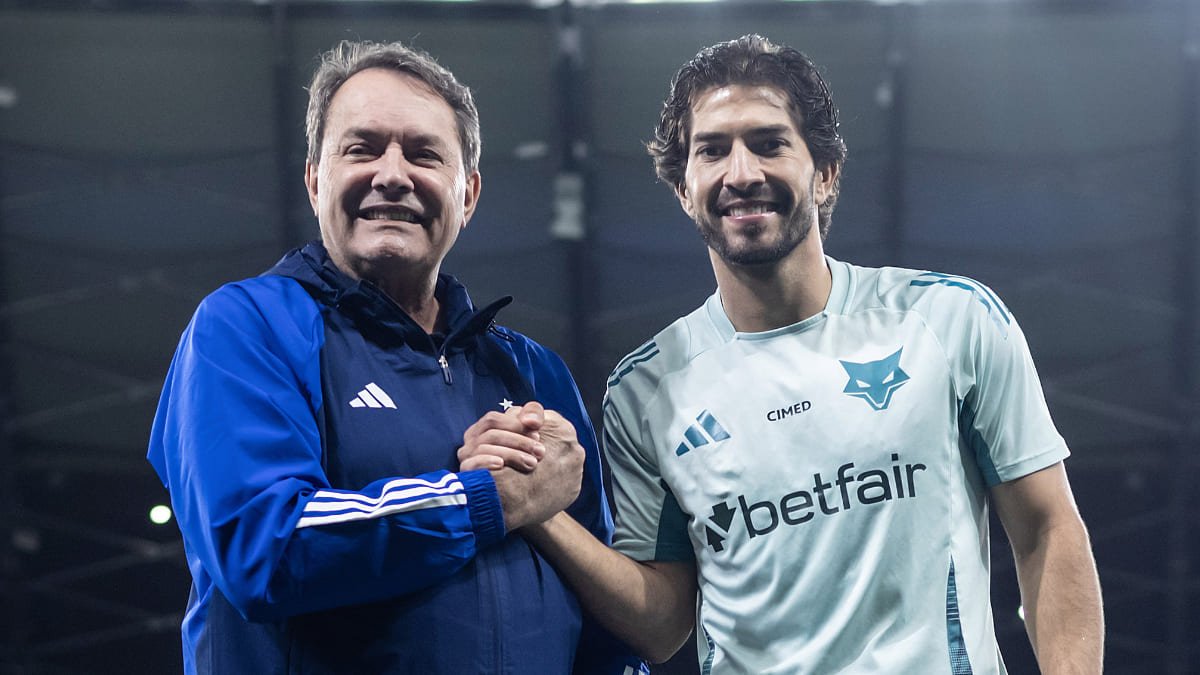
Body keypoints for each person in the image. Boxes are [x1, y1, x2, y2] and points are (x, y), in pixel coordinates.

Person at [463, 34, 1104, 674]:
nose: (741, 174)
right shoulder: (645, 388)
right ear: (684, 189)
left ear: (823, 172)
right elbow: (660, 629)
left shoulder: (948, 320)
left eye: (768, 143)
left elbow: (1047, 531)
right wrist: (539, 512)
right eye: (712, 151)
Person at [147, 40, 639, 674]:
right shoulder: (248, 327)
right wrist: (484, 500)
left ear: (468, 195)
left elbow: (600, 620)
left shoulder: (534, 372)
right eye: (362, 148)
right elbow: (262, 547)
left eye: (425, 154)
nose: (392, 174)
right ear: (314, 178)